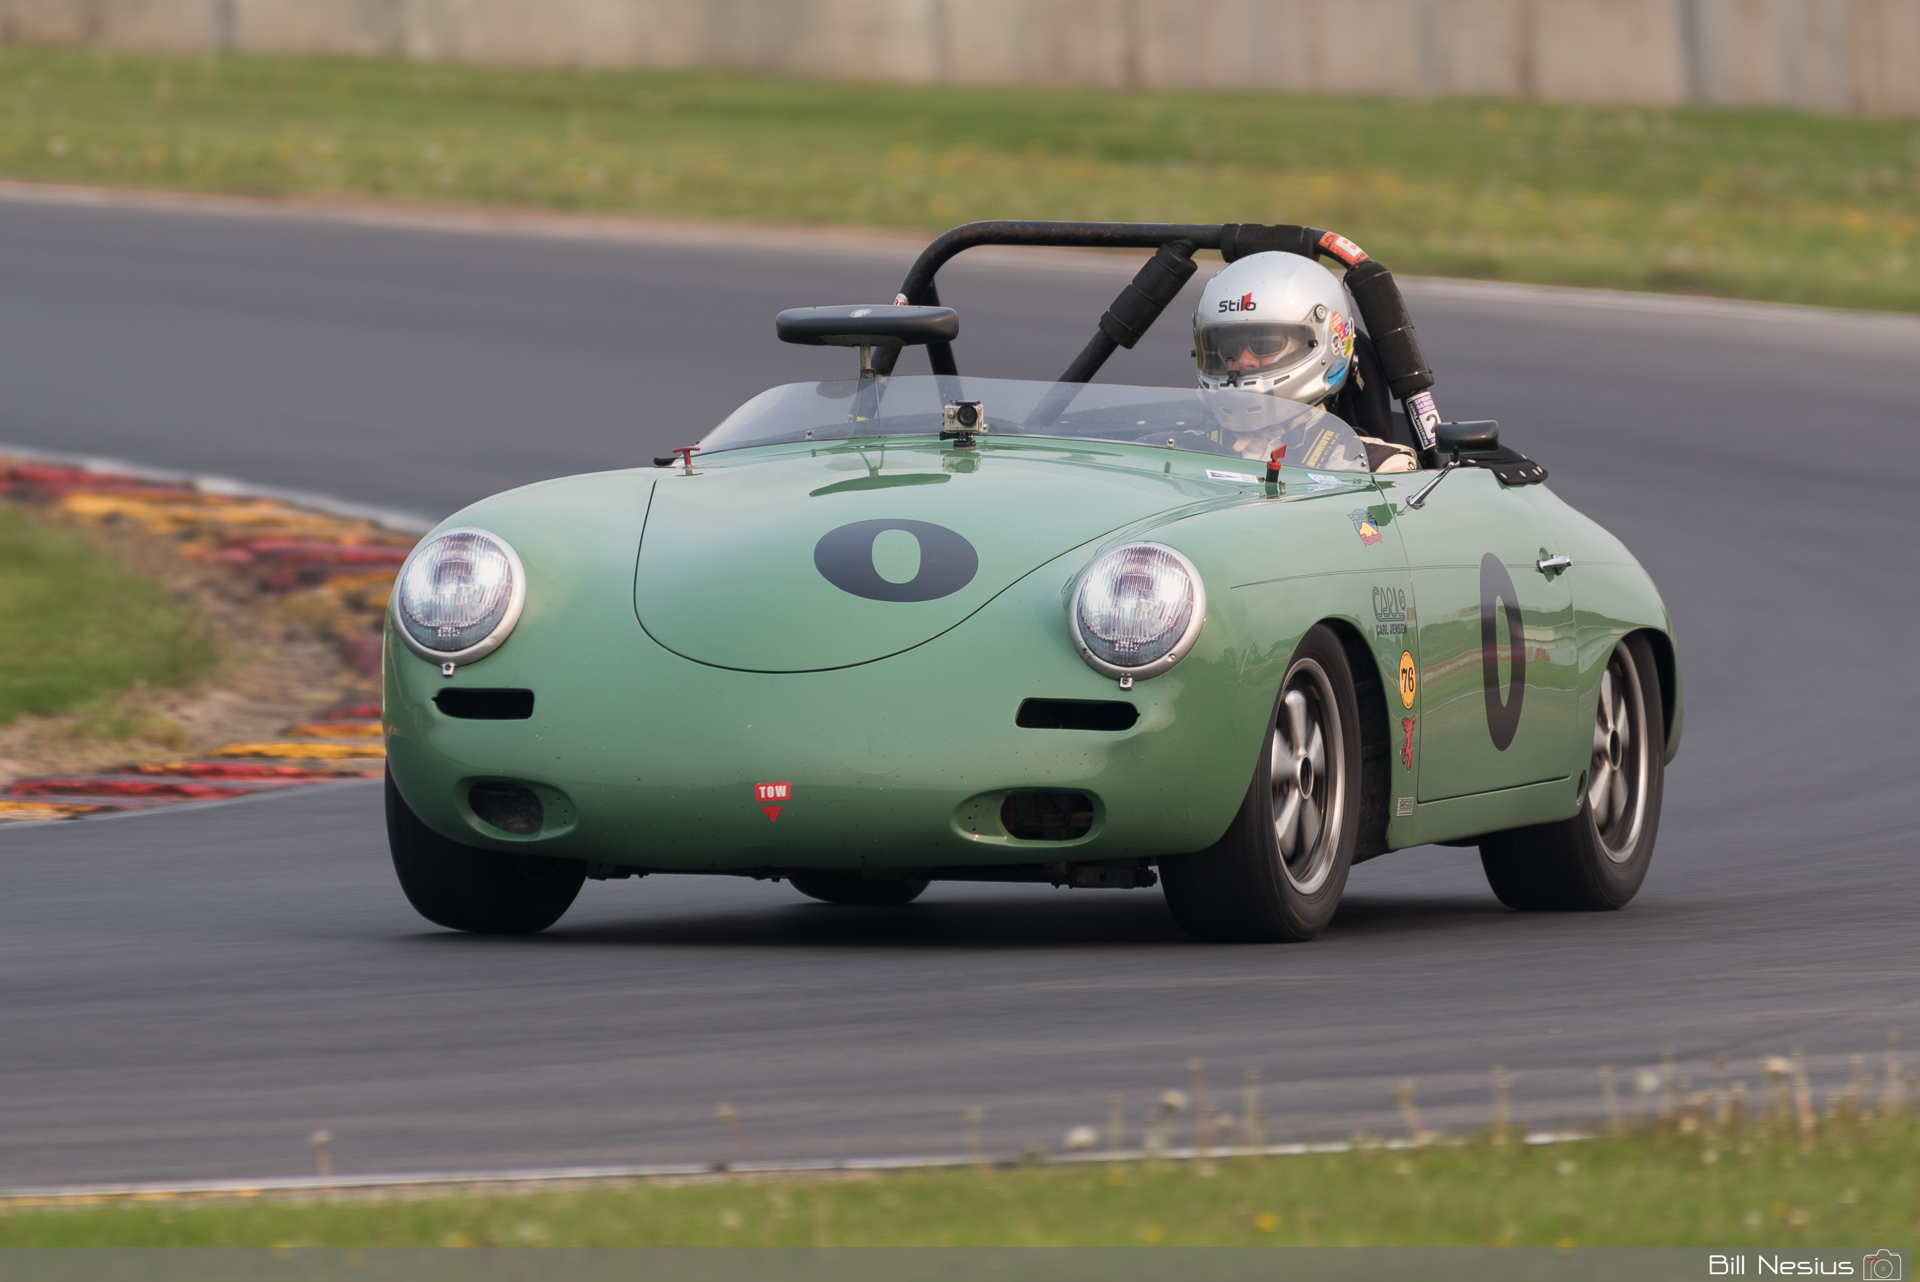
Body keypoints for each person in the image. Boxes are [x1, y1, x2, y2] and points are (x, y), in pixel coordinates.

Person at [1193, 252, 1421, 472]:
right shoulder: (1184, 447)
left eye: (1264, 345)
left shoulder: (1375, 467)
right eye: (1229, 348)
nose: (1243, 361)